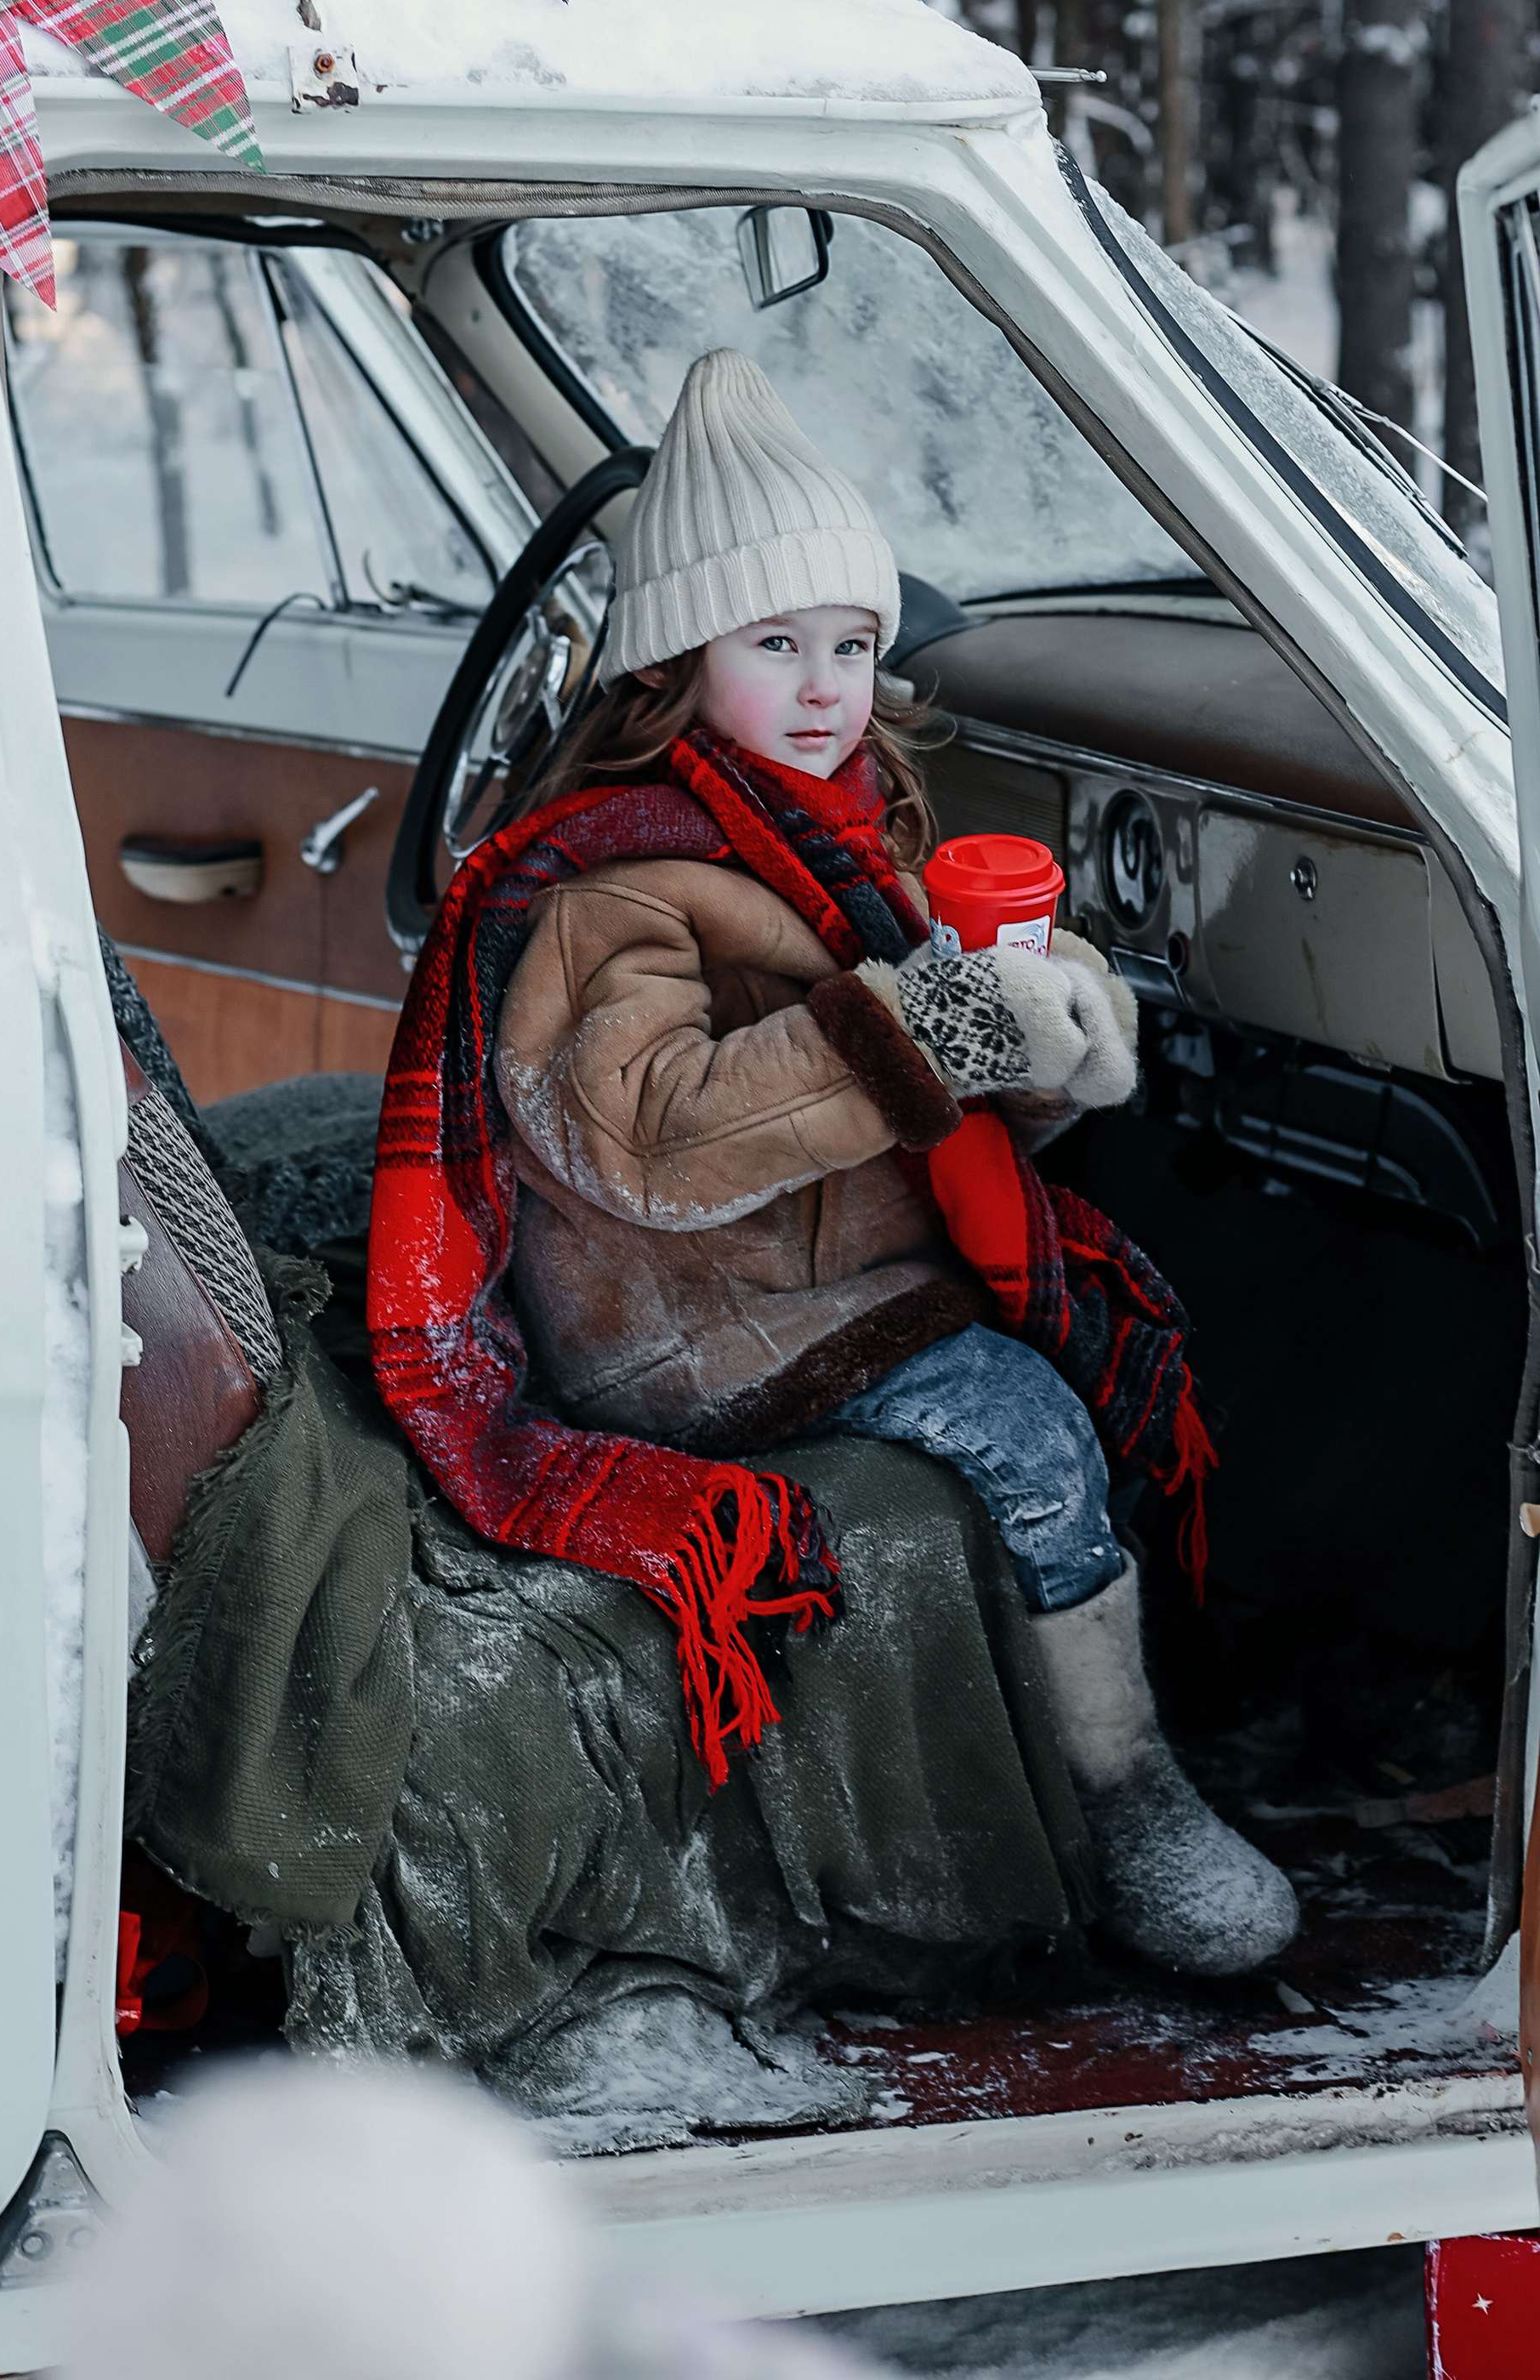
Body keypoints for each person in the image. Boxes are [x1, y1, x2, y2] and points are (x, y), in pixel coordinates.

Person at [368, 349, 1296, 1980]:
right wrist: (933, 1019)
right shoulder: (620, 887)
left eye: (852, 645)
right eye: (773, 644)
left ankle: (1138, 1723)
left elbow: (905, 1106)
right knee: (1029, 1425)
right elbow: (654, 1141)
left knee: (1115, 1319)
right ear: (672, 663)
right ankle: (1130, 1795)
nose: (823, 684)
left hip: (822, 1266)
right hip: (692, 1318)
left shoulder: (834, 829)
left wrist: (1042, 1057)